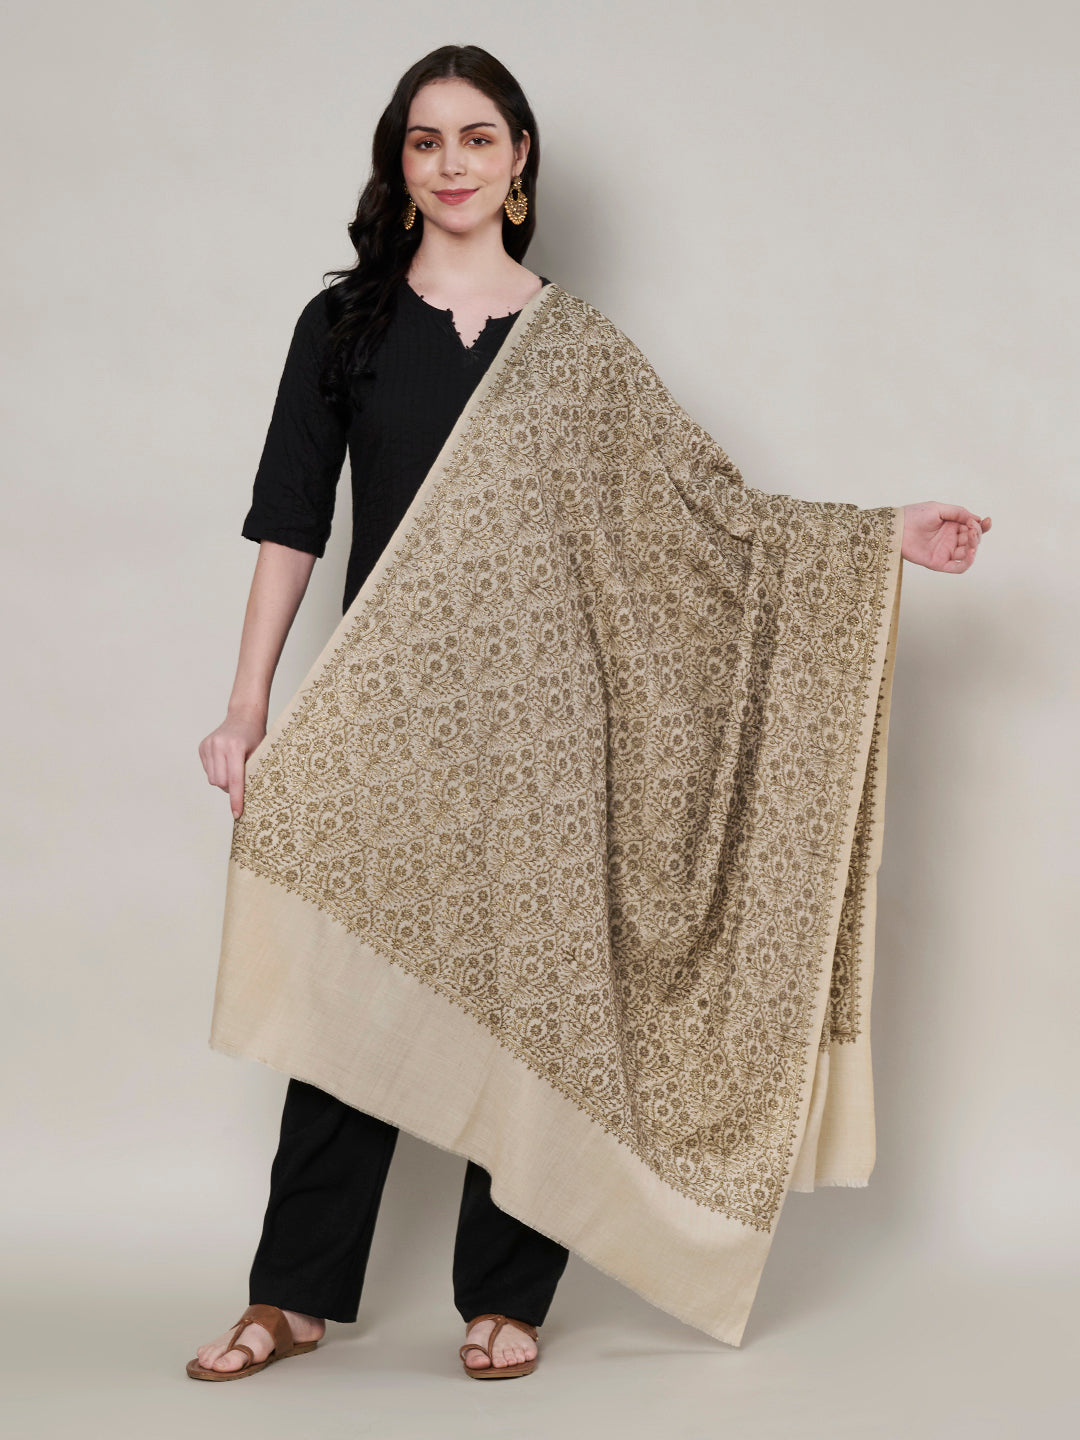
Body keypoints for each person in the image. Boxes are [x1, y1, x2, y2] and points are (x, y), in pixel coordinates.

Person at [191, 45, 991, 1383]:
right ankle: (294, 1295)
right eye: (427, 141)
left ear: (520, 161)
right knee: (346, 995)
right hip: (393, 721)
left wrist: (877, 535)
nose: (452, 163)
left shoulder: (576, 352)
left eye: (478, 138)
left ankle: (508, 1299)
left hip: (549, 746)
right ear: (400, 165)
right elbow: (290, 520)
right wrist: (245, 703)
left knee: (541, 1007)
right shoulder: (345, 328)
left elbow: (707, 518)